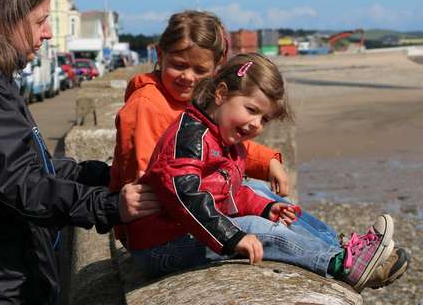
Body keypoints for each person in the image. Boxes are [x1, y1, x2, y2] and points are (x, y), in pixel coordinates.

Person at [0, 0, 161, 305]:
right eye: (39, 21)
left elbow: (31, 166)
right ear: (5, 17)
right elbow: (19, 184)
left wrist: (105, 175)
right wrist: (110, 206)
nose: (49, 33)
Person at [133, 53, 409, 291]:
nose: (255, 124)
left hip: (189, 232)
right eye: (251, 110)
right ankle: (340, 264)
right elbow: (186, 196)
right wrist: (233, 237)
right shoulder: (190, 138)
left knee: (274, 206)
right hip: (163, 246)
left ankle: (343, 250)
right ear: (220, 94)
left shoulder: (226, 139)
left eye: (264, 119)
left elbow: (232, 191)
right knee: (255, 228)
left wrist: (266, 207)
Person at [110, 11, 295, 246]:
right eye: (179, 66)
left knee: (265, 196)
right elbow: (152, 179)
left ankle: (336, 246)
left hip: (190, 207)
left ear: (216, 70)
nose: (188, 77)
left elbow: (219, 146)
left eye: (199, 71)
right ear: (160, 54)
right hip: (164, 226)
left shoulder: (194, 100)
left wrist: (268, 161)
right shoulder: (147, 105)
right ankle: (331, 257)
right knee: (259, 212)